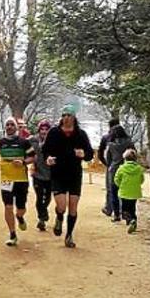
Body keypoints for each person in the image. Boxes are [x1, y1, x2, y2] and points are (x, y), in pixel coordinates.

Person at [43, 104, 94, 248]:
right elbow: (45, 150)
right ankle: (59, 217)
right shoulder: (54, 132)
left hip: (74, 175)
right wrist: (48, 158)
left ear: (74, 117)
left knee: (73, 207)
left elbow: (90, 154)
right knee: (62, 206)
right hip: (58, 173)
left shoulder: (81, 134)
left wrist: (83, 154)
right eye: (63, 115)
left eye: (68, 115)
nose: (65, 118)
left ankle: (69, 235)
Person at [0, 119, 36, 246]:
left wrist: (23, 162)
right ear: (4, 127)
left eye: (12, 125)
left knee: (21, 208)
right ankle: (12, 234)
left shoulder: (24, 142)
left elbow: (33, 156)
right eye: (7, 125)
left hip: (21, 179)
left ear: (16, 128)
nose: (9, 127)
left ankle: (20, 217)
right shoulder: (0, 143)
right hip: (6, 179)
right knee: (8, 206)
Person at [105, 123, 135, 222]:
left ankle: (116, 215)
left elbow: (108, 159)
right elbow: (134, 155)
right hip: (127, 170)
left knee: (114, 193)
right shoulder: (129, 143)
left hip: (114, 170)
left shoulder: (111, 145)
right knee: (126, 194)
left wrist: (110, 166)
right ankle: (127, 215)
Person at [29, 119, 52, 231]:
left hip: (50, 174)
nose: (44, 131)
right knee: (39, 196)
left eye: (46, 129)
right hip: (37, 173)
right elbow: (22, 145)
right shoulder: (33, 140)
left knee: (47, 197)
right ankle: (41, 219)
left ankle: (44, 210)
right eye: (42, 129)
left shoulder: (53, 141)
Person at [114, 149, 144, 233]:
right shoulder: (139, 169)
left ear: (125, 158)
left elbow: (116, 179)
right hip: (135, 192)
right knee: (132, 208)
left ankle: (130, 220)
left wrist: (120, 185)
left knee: (124, 210)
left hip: (124, 192)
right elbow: (141, 179)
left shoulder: (121, 168)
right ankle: (133, 221)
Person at [97, 121, 114, 216]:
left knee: (110, 187)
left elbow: (100, 153)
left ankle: (109, 208)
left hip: (111, 165)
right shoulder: (126, 138)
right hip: (123, 164)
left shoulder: (106, 137)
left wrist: (106, 163)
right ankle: (121, 209)